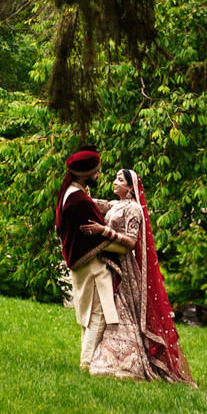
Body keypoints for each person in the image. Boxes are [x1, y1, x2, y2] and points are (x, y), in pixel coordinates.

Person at [54, 147, 150, 379]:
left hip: (80, 263)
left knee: (88, 315)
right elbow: (106, 238)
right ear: (86, 173)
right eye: (96, 172)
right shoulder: (80, 201)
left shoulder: (70, 193)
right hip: (93, 266)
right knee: (97, 314)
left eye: (119, 178)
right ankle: (86, 364)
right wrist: (110, 236)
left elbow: (102, 210)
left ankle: (90, 359)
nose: (100, 176)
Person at [102, 167, 196, 386]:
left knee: (123, 311)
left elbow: (131, 242)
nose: (114, 182)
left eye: (119, 179)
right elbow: (99, 204)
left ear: (129, 187)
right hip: (111, 263)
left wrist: (103, 231)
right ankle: (108, 357)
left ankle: (129, 363)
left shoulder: (133, 209)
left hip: (123, 266)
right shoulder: (117, 204)